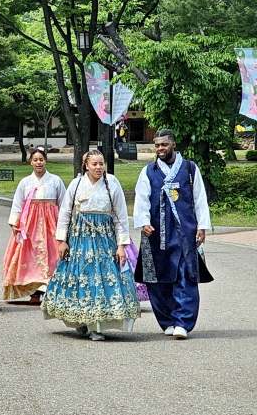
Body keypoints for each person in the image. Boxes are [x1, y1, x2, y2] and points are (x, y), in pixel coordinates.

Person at [42, 150, 140, 340]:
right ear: (86, 165)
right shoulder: (76, 184)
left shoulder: (112, 183)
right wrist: (62, 241)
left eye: (101, 164)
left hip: (104, 238)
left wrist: (121, 245)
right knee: (81, 277)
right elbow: (65, 213)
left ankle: (97, 326)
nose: (98, 167)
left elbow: (120, 216)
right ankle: (81, 319)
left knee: (102, 278)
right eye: (94, 164)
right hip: (80, 238)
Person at [133, 129, 211, 339]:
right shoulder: (149, 171)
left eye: (164, 144)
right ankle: (167, 321)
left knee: (186, 276)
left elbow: (199, 198)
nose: (160, 148)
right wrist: (143, 222)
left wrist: (201, 226)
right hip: (156, 234)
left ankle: (183, 322)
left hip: (185, 232)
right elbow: (141, 199)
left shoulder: (189, 168)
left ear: (174, 144)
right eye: (157, 145)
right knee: (157, 279)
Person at [1, 146, 66, 303]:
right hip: (30, 223)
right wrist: (14, 223)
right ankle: (34, 291)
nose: (39, 163)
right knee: (30, 255)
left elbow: (63, 203)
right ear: (31, 162)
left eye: (41, 160)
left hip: (51, 222)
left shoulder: (55, 180)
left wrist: (64, 224)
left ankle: (51, 289)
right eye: (35, 160)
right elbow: (18, 203)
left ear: (46, 161)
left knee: (52, 255)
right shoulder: (25, 182)